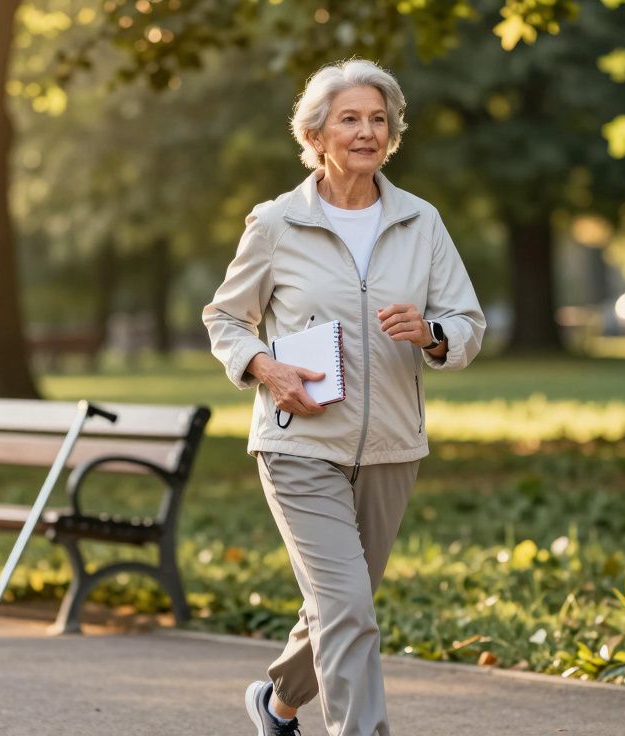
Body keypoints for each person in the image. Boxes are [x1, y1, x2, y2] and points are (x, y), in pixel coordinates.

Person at [202, 59, 485, 736]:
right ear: (317, 134)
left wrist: (432, 332)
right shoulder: (276, 223)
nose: (367, 132)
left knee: (340, 606)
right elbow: (225, 318)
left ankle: (276, 705)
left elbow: (468, 323)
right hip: (299, 445)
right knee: (349, 607)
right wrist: (266, 369)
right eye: (350, 119)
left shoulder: (421, 221)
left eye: (378, 119)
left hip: (391, 444)